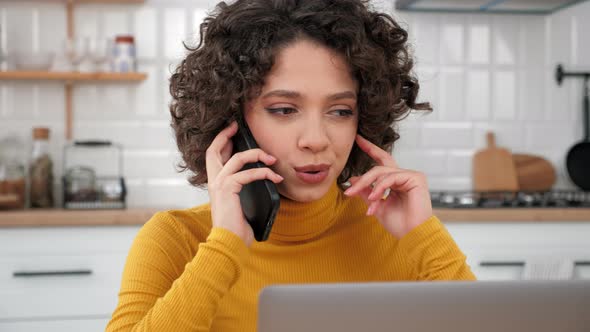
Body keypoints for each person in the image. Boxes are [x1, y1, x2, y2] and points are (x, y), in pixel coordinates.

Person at [106, 0, 476, 331]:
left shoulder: (397, 236)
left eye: (340, 111)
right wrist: (225, 247)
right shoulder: (177, 239)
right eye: (284, 109)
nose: (316, 139)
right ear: (232, 120)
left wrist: (424, 237)